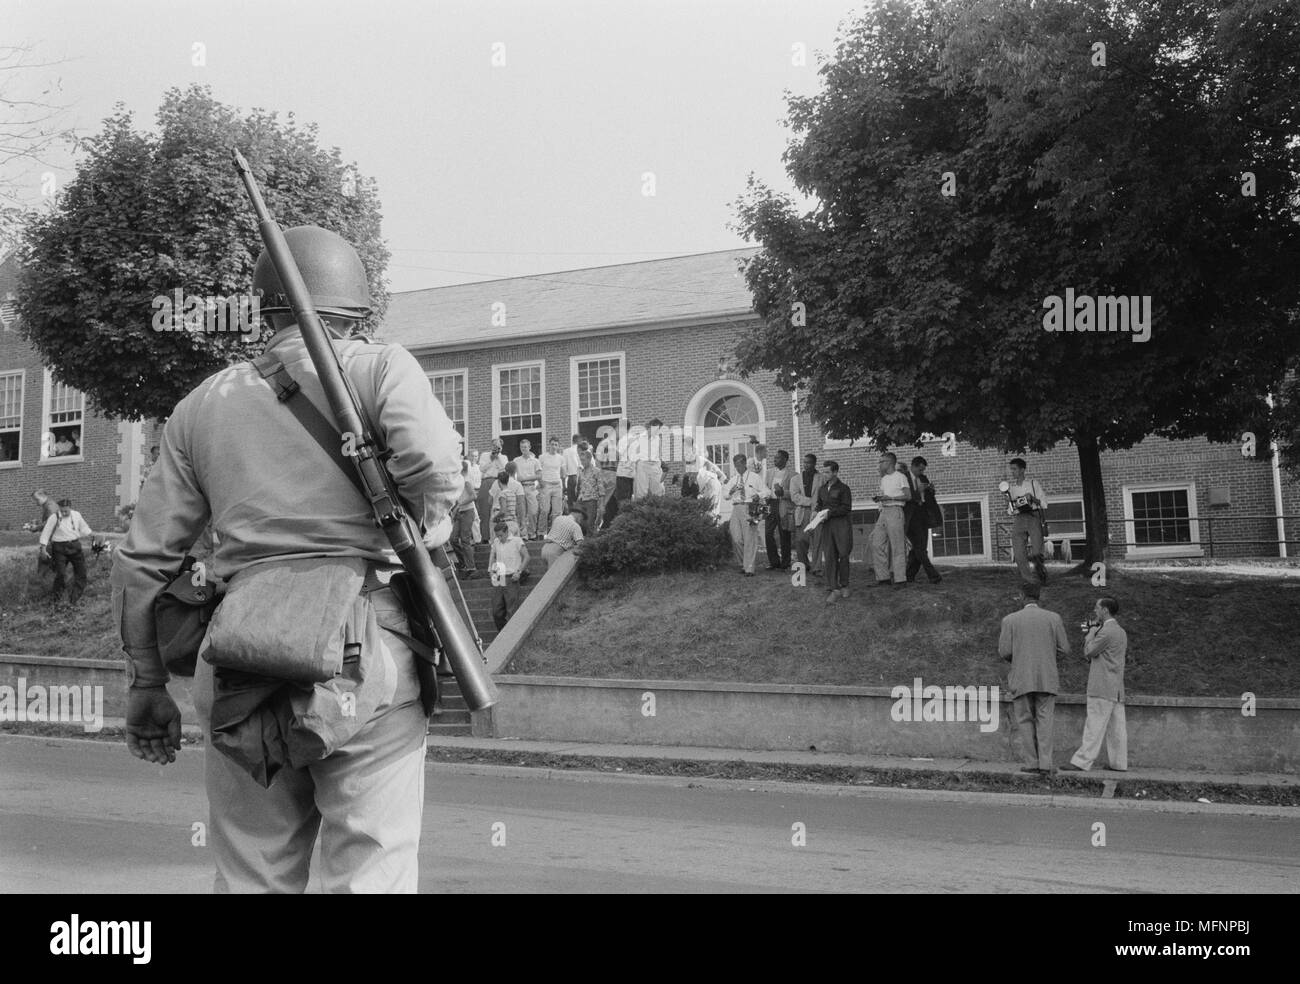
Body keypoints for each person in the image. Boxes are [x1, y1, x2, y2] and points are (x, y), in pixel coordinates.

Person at [111, 225, 463, 893]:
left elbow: (142, 564)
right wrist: (426, 523)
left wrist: (147, 682)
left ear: (262, 309)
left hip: (240, 650)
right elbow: (436, 465)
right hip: (366, 649)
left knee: (253, 877)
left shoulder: (201, 405)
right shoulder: (381, 366)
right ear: (358, 311)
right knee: (369, 872)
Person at [998, 581, 1071, 775]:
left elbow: (1004, 651)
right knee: (1045, 720)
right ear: (1039, 597)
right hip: (1047, 676)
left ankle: (1031, 762)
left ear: (1022, 596)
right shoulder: (1053, 618)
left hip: (1021, 677)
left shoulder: (1010, 620)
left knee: (1024, 720)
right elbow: (1065, 648)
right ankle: (1046, 764)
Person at [1063, 597, 1128, 773]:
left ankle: (1081, 762)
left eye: (1097, 608)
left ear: (1105, 610)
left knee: (1094, 725)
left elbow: (1089, 651)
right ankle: (1119, 763)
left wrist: (1090, 634)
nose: (1095, 611)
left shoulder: (1106, 632)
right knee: (1117, 728)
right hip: (1117, 687)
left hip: (1102, 686)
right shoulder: (1121, 631)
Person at [723, 454, 769, 576]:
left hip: (750, 508)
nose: (737, 468)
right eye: (735, 466)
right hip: (736, 508)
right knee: (736, 538)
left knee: (750, 539)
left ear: (744, 464)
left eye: (739, 465)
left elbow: (767, 491)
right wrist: (732, 491)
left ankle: (749, 567)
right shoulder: (734, 479)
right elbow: (726, 496)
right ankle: (743, 563)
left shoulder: (755, 477)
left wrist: (758, 495)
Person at [1005, 457, 1049, 585]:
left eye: (1014, 469)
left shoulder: (1033, 484)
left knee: (1037, 551)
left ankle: (1041, 578)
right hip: (1019, 519)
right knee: (1018, 551)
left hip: (1033, 516)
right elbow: (1010, 511)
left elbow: (1044, 503)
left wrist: (1032, 499)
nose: (1012, 472)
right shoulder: (1011, 489)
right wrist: (1009, 503)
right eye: (1011, 469)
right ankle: (1028, 579)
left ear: (1022, 470)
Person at [40, 498, 92, 604]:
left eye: (66, 511)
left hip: (75, 546)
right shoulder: (54, 517)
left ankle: (75, 598)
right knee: (61, 574)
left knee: (81, 573)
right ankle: (56, 598)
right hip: (59, 548)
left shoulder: (77, 515)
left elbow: (84, 528)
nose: (64, 513)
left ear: (70, 508)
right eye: (62, 510)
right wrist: (43, 549)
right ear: (59, 508)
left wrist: (93, 536)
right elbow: (46, 532)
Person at [871, 452, 911, 587]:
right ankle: (883, 578)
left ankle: (900, 579)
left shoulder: (901, 477)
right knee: (876, 543)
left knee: (897, 545)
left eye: (882, 462)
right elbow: (885, 494)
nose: (879, 464)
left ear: (890, 462)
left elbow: (908, 496)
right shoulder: (884, 479)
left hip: (895, 510)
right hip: (884, 511)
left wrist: (891, 498)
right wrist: (881, 498)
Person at [816, 461, 852, 602]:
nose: (825, 474)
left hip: (841, 524)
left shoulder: (844, 488)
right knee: (830, 555)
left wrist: (829, 513)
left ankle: (844, 585)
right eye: (824, 471)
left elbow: (846, 508)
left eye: (827, 472)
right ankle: (833, 587)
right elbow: (820, 505)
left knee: (843, 554)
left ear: (835, 472)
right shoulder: (822, 489)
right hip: (826, 525)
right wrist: (816, 512)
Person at [903, 457, 943, 584]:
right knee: (919, 547)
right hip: (910, 516)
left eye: (923, 470)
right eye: (920, 469)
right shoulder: (904, 478)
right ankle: (933, 575)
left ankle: (909, 575)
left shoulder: (923, 478)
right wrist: (917, 491)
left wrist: (930, 490)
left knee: (919, 547)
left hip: (922, 514)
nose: (921, 472)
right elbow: (906, 497)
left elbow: (928, 497)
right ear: (913, 466)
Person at [488, 519, 530, 629]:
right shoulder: (496, 542)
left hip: (512, 577)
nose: (499, 538)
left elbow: (527, 557)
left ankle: (511, 635)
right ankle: (502, 633)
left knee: (511, 610)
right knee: (496, 611)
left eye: (501, 535)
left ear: (507, 532)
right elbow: (492, 556)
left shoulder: (517, 540)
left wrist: (519, 572)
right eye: (497, 536)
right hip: (498, 577)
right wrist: (491, 570)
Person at [788, 453, 825, 577]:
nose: (806, 465)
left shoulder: (822, 478)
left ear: (814, 463)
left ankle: (817, 567)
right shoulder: (796, 479)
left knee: (817, 540)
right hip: (802, 512)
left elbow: (824, 495)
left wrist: (817, 506)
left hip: (817, 512)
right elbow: (794, 496)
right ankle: (803, 565)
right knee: (800, 540)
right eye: (804, 462)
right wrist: (810, 501)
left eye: (809, 462)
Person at [603, 424, 639, 527]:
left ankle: (620, 526)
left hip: (621, 475)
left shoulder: (624, 440)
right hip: (631, 475)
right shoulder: (635, 440)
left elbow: (616, 456)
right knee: (626, 502)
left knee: (621, 503)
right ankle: (625, 525)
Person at [450, 458, 479, 578]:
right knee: (453, 539)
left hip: (468, 511)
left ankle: (471, 567)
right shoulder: (458, 481)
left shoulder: (466, 481)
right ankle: (463, 564)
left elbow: (473, 496)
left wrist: (459, 505)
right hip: (460, 512)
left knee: (465, 539)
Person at [765, 450, 792, 570]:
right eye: (775, 458)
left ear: (785, 459)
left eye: (778, 458)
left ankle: (785, 563)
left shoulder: (792, 475)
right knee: (768, 533)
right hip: (771, 504)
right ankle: (774, 561)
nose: (775, 460)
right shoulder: (769, 472)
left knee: (784, 533)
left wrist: (783, 492)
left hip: (783, 504)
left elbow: (794, 493)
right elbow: (765, 487)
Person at [477, 438, 508, 542]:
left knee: (498, 509)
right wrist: (491, 459)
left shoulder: (503, 457)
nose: (496, 448)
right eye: (494, 446)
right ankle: (485, 537)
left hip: (498, 481)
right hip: (486, 481)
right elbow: (481, 469)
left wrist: (497, 458)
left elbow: (504, 469)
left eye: (498, 447)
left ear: (501, 447)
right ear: (491, 446)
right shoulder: (485, 455)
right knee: (484, 510)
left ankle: (498, 536)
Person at [537, 437, 566, 538]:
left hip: (557, 485)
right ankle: (541, 532)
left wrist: (564, 485)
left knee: (557, 511)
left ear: (558, 446)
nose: (554, 446)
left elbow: (563, 473)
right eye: (552, 444)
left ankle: (555, 533)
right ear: (549, 445)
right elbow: (538, 471)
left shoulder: (561, 458)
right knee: (545, 509)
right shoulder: (542, 457)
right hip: (546, 484)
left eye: (556, 445)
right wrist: (540, 483)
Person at [513, 439, 541, 539]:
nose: (523, 449)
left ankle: (532, 533)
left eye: (525, 447)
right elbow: (512, 475)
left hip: (531, 487)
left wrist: (525, 478)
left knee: (533, 512)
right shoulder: (516, 460)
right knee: (521, 513)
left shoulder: (535, 461)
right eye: (522, 447)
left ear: (529, 447)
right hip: (520, 488)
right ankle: (523, 535)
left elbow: (539, 476)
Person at [574, 444, 602, 534]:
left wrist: (601, 504)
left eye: (583, 460)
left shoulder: (597, 471)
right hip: (581, 500)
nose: (582, 462)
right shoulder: (581, 472)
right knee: (577, 522)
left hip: (592, 500)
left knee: (590, 523)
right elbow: (581, 486)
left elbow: (601, 489)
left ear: (589, 459)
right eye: (580, 460)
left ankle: (590, 544)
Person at [32, 490, 61, 575]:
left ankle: (39, 580)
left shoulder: (50, 506)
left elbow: (50, 522)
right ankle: (53, 578)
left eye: (37, 499)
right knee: (54, 560)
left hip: (52, 538)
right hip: (54, 537)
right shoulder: (48, 505)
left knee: (44, 559)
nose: (36, 502)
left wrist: (36, 528)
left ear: (43, 496)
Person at [492, 462, 524, 537]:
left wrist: (495, 518)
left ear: (499, 482)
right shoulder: (512, 493)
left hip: (505, 524)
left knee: (503, 546)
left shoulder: (502, 494)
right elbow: (520, 504)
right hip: (514, 522)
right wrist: (522, 521)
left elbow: (503, 510)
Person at [562, 433, 583, 512]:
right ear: (580, 441)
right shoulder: (584, 450)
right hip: (582, 476)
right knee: (581, 501)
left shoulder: (566, 451)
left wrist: (564, 484)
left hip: (571, 478)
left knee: (571, 501)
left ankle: (572, 520)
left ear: (572, 441)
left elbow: (564, 468)